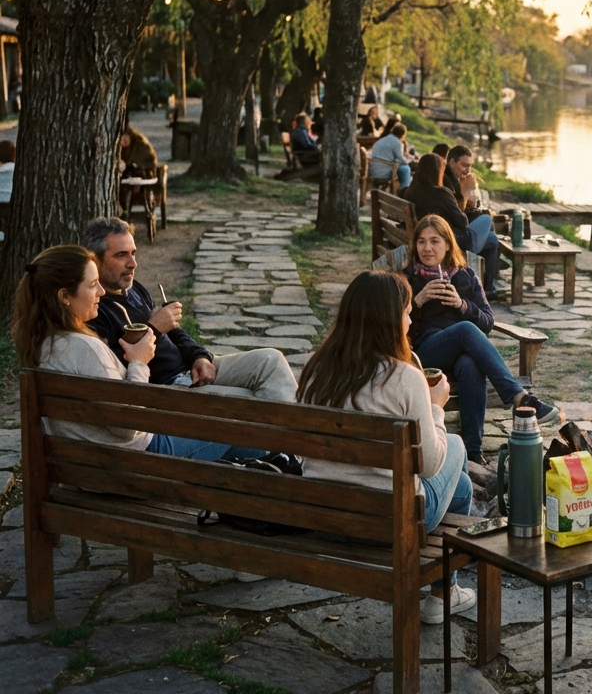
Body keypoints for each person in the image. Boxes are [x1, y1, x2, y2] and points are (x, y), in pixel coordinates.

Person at [298, 270, 476, 624]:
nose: (410, 321)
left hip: (323, 514)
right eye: (407, 312)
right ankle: (444, 594)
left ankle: (445, 592)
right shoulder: (405, 379)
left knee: (464, 486)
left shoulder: (315, 369)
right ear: (390, 319)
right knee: (454, 446)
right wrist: (437, 407)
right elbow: (429, 465)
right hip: (389, 523)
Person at [12, 245, 264, 461]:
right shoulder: (82, 347)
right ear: (64, 296)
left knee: (242, 437)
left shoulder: (43, 344)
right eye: (92, 284)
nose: (101, 291)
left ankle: (278, 465)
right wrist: (139, 362)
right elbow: (127, 427)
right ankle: (285, 479)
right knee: (239, 421)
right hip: (133, 461)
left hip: (89, 466)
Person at [82, 217, 296, 401]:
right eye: (121, 255)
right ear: (95, 260)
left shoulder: (133, 288)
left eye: (134, 253)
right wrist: (154, 328)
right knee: (250, 399)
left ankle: (291, 447)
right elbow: (112, 369)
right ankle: (289, 447)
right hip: (172, 387)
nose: (133, 263)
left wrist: (198, 356)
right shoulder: (93, 309)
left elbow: (174, 331)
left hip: (190, 369)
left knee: (271, 360)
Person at [405, 215, 559, 463]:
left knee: (470, 364)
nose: (427, 248)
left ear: (447, 244)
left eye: (434, 241)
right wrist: (417, 301)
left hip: (461, 355)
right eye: (421, 242)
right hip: (424, 355)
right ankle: (518, 397)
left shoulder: (464, 276)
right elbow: (392, 323)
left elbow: (487, 322)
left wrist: (462, 305)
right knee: (465, 329)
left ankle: (473, 452)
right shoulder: (408, 278)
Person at [402, 155, 500, 294]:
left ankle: (490, 284)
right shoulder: (440, 193)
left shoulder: (410, 191)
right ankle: (490, 285)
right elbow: (463, 222)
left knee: (492, 240)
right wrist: (465, 193)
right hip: (454, 242)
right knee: (486, 218)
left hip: (430, 237)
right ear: (438, 172)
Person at [370, 122, 411, 189]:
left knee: (403, 167)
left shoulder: (383, 140)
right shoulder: (396, 142)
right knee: (406, 168)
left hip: (374, 170)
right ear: (403, 134)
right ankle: (404, 190)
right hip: (383, 171)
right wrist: (409, 162)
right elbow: (400, 158)